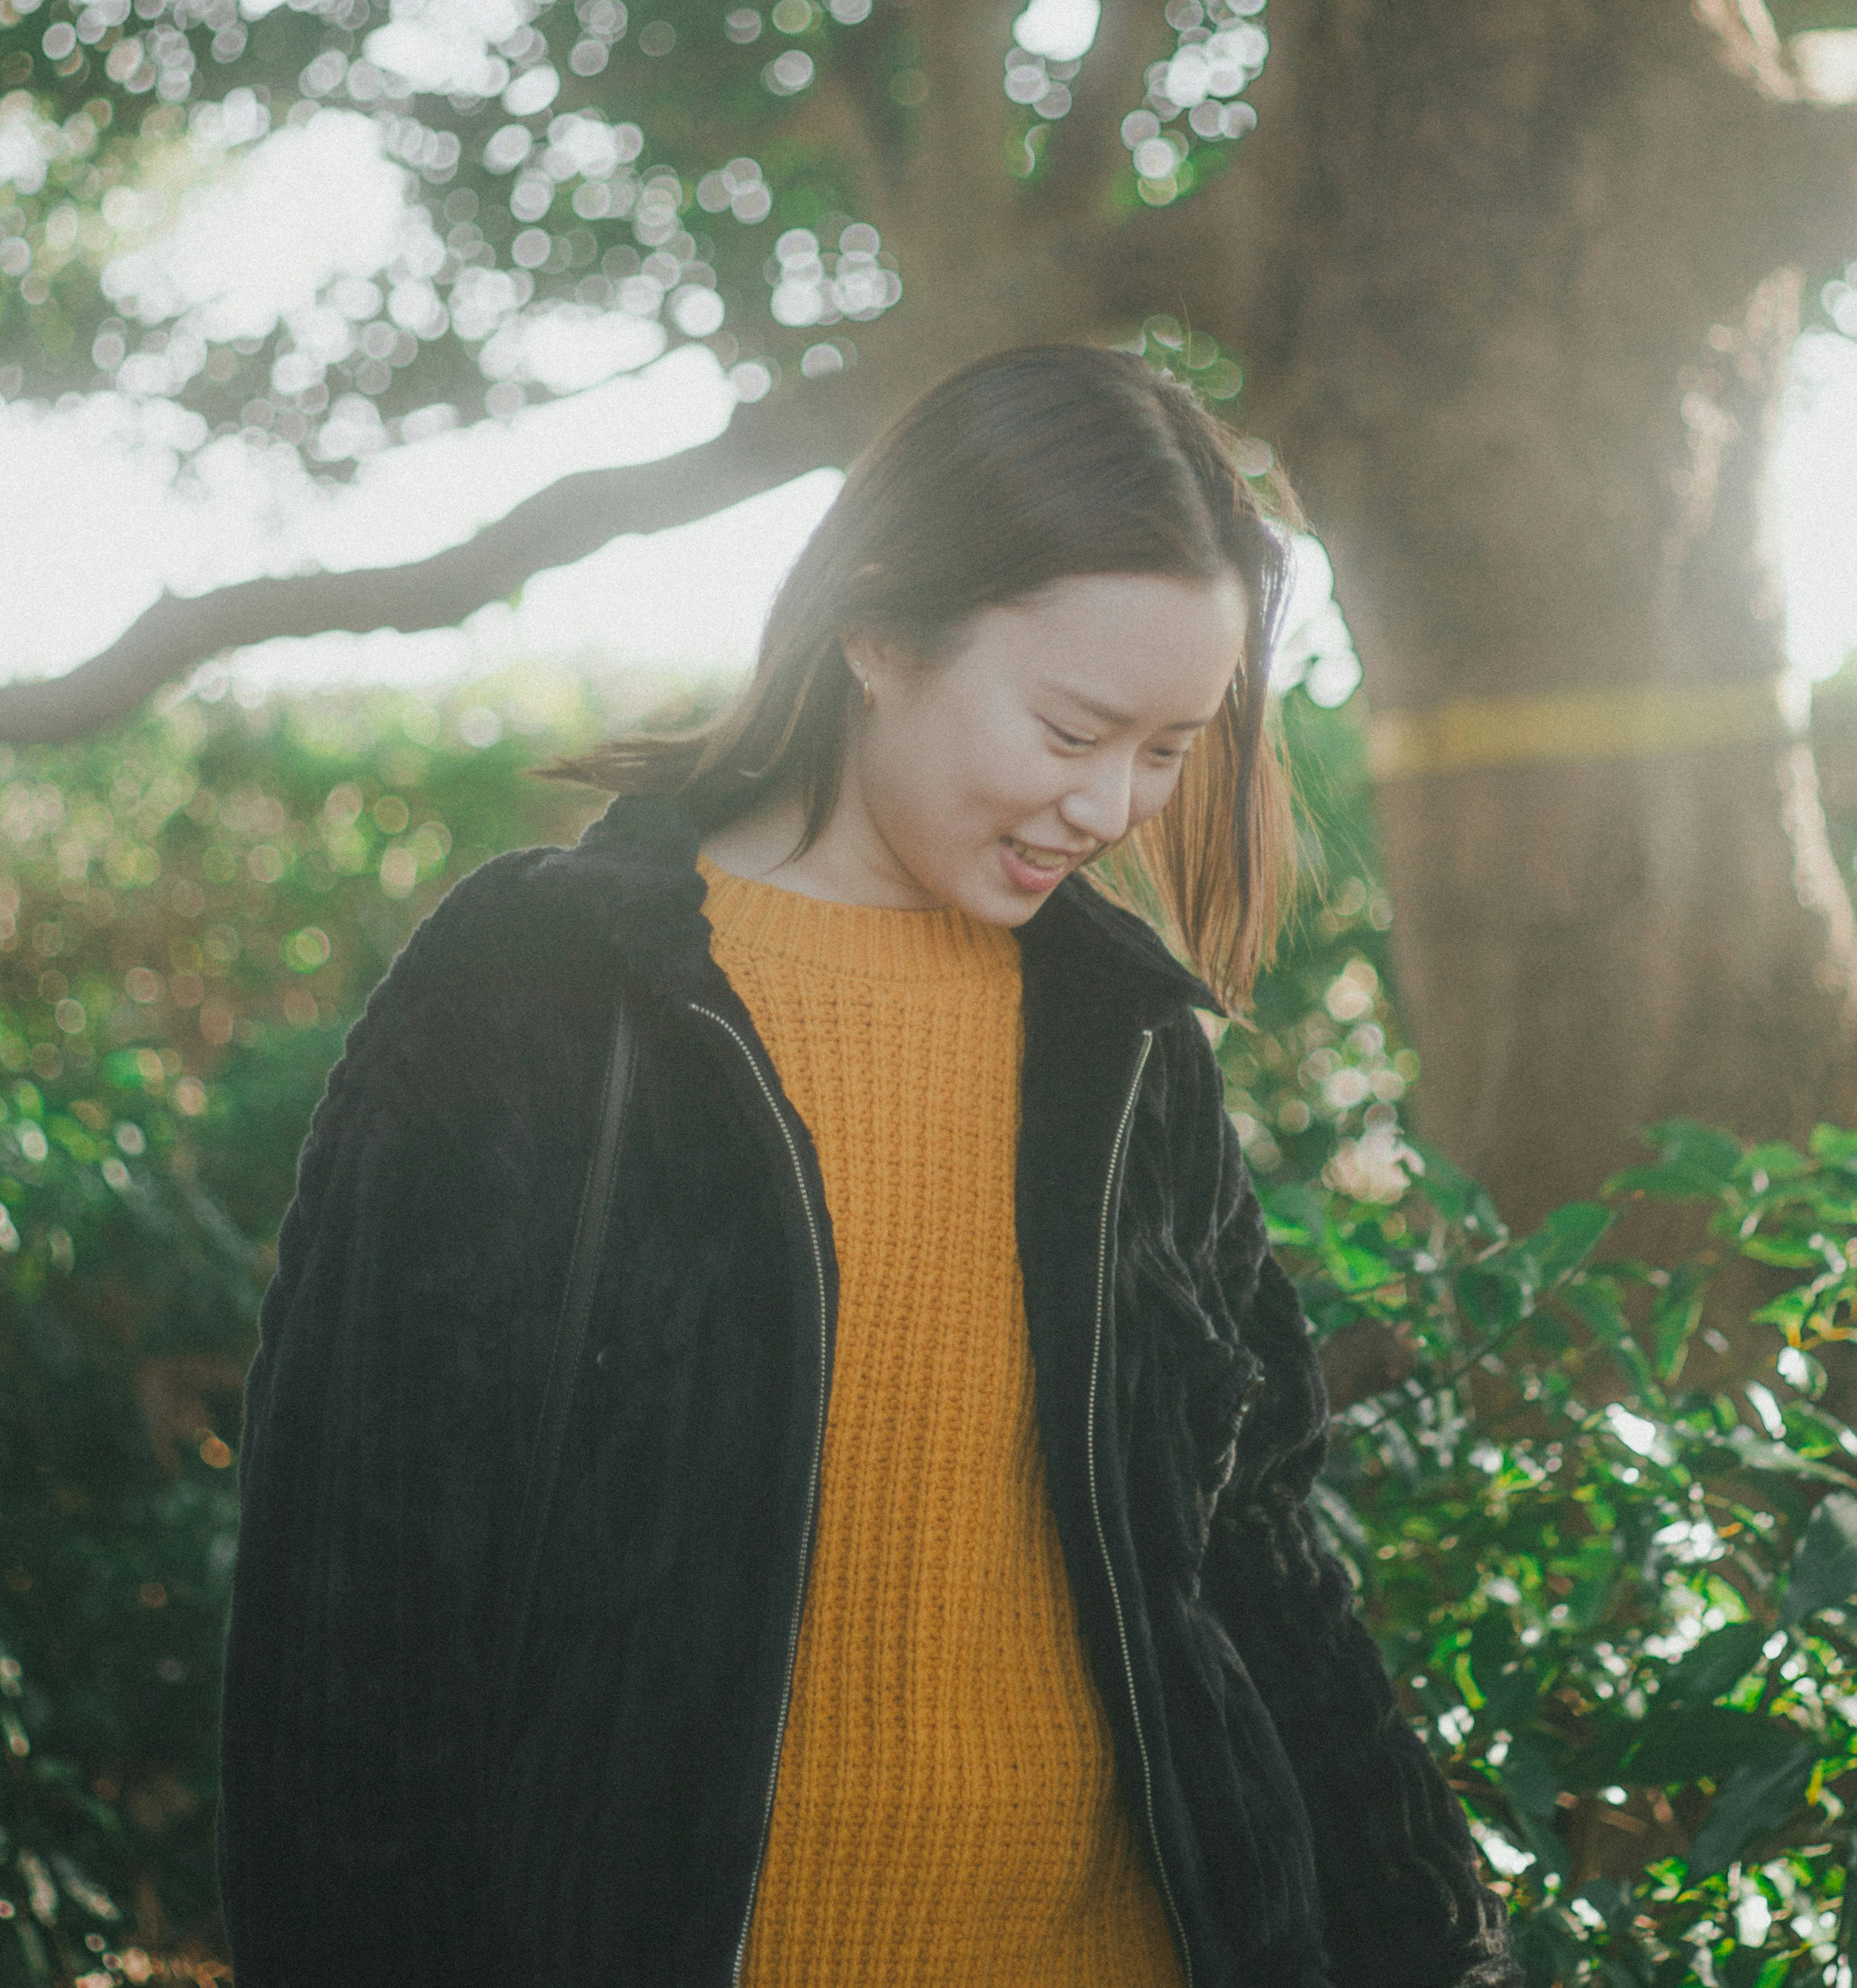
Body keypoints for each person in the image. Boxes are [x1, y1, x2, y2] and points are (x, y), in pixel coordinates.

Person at [216, 343, 1517, 1988]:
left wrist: (1438, 1949)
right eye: (1071, 726)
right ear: (879, 632)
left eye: (1174, 751)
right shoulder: (544, 993)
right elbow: (354, 1619)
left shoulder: (1126, 1046)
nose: (1113, 803)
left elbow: (1251, 1551)